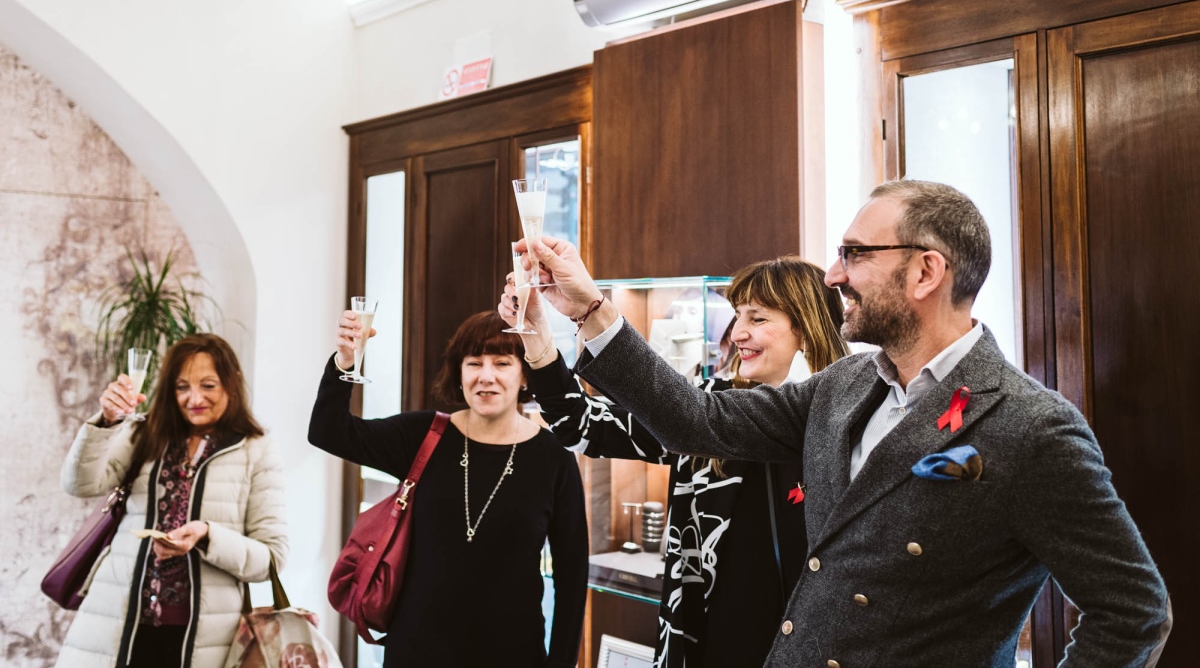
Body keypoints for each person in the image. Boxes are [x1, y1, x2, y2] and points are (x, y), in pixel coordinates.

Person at [520, 179, 1172, 667]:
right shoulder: (845, 386)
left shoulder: (1032, 427)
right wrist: (590, 309)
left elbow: (1134, 612)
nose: (833, 274)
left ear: (925, 271)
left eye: (854, 254)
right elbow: (697, 419)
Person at [500, 257, 848, 668]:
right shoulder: (706, 405)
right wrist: (536, 334)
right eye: (737, 316)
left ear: (806, 327)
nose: (737, 333)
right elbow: (580, 425)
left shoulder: (849, 418)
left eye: (757, 318)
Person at [309, 310, 588, 667]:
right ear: (459, 373)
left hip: (514, 655)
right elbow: (328, 431)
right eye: (474, 363)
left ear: (524, 376)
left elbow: (572, 574)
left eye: (502, 363)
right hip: (416, 654)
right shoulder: (423, 435)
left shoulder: (554, 458)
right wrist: (345, 362)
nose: (486, 376)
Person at [56, 334, 288, 668]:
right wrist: (107, 422)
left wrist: (207, 536)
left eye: (208, 385)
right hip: (118, 626)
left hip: (206, 641)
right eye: (182, 387)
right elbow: (79, 484)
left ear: (232, 382)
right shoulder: (144, 433)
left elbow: (272, 559)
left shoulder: (257, 450)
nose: (195, 398)